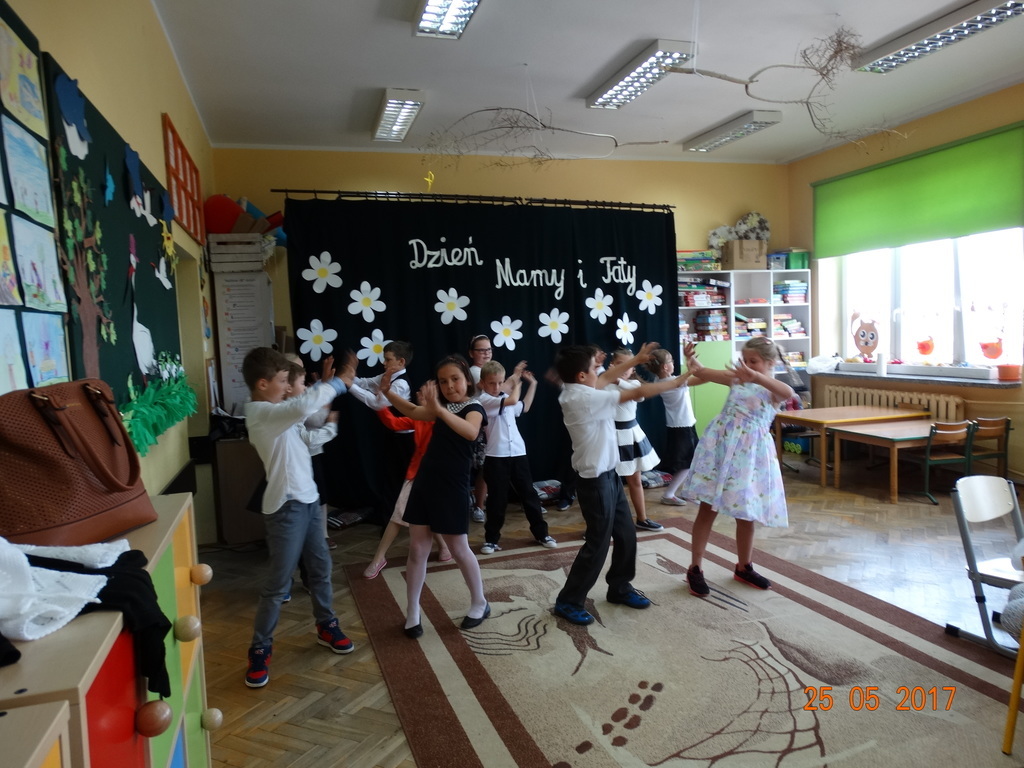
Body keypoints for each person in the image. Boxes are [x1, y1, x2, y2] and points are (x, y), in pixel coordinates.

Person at [552, 342, 691, 626]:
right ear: (581, 376)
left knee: (626, 535)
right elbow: (638, 392)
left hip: (609, 477)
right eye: (594, 368)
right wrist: (679, 380)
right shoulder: (585, 398)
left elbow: (605, 378)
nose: (600, 372)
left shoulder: (578, 389)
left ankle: (619, 587)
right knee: (598, 544)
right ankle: (568, 601)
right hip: (595, 483)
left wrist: (636, 360)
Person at [241, 347, 356, 689]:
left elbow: (305, 430)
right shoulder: (262, 413)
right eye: (282, 380)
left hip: (309, 501)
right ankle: (260, 649)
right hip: (286, 509)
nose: (287, 386)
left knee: (320, 569)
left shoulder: (280, 413)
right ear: (262, 384)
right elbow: (302, 406)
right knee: (278, 584)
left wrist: (330, 423)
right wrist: (339, 382)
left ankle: (326, 624)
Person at [380, 354, 490, 638]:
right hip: (425, 483)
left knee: (459, 549)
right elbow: (412, 411)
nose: (449, 386)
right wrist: (388, 393)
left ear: (467, 379)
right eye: (443, 381)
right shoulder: (443, 407)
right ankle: (413, 612)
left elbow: (470, 432)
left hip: (452, 487)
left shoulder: (474, 407)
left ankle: (480, 602)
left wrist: (439, 410)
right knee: (417, 549)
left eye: (455, 379)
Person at [680, 337, 795, 598]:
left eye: (754, 361)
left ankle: (744, 566)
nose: (747, 365)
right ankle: (695, 567)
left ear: (770, 363)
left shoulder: (772, 389)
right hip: (721, 450)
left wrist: (756, 376)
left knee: (746, 513)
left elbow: (787, 393)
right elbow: (702, 372)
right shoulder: (736, 378)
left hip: (750, 458)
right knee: (707, 508)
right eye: (745, 360)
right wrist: (691, 358)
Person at [362, 387, 452, 579]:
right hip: (416, 475)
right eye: (419, 394)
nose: (419, 396)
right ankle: (379, 557)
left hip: (436, 477)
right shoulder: (418, 417)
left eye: (425, 394)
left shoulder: (443, 418)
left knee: (424, 514)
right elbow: (393, 423)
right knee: (399, 515)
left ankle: (444, 547)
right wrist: (380, 405)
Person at [476, 359, 557, 554]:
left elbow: (524, 406)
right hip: (496, 456)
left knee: (529, 495)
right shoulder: (483, 401)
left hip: (518, 453)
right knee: (497, 500)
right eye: (491, 383)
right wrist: (517, 382)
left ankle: (542, 534)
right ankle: (491, 540)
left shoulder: (506, 396)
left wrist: (533, 384)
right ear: (482, 384)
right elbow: (512, 400)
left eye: (499, 382)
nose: (496, 387)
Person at [283, 359, 340, 601]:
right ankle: (286, 584)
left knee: (308, 537)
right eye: (300, 380)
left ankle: (308, 582)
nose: (305, 385)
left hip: (303, 478)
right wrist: (331, 425)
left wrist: (324, 386)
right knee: (291, 536)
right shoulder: (284, 409)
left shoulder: (297, 401)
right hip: (291, 481)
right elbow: (311, 428)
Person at [604, 348, 663, 531]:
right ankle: (604, 526)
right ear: (612, 365)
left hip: (630, 435)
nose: (624, 368)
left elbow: (640, 395)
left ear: (633, 368)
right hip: (610, 436)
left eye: (629, 365)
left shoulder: (633, 384)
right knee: (608, 484)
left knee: (635, 480)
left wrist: (618, 380)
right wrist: (610, 378)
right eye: (620, 364)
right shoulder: (603, 384)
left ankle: (642, 518)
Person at [645, 348, 701, 507]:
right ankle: (669, 494)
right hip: (682, 427)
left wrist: (690, 364)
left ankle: (688, 492)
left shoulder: (660, 380)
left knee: (692, 460)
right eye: (671, 361)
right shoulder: (674, 382)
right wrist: (691, 364)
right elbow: (703, 378)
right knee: (687, 463)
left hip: (682, 426)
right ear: (665, 366)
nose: (673, 363)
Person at [466, 334, 492, 522]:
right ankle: (475, 505)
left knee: (485, 468)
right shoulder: (475, 372)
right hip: (475, 426)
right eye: (481, 350)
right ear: (472, 353)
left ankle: (479, 505)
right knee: (475, 467)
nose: (486, 353)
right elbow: (499, 392)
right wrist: (514, 379)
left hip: (487, 426)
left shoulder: (489, 370)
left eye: (488, 349)